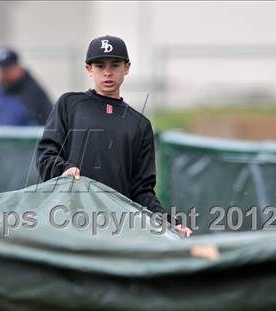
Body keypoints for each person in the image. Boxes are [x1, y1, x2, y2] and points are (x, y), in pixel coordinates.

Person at [36, 35, 192, 237]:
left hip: (116, 229)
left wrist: (169, 223)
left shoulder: (139, 124)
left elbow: (141, 190)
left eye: (115, 65)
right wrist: (63, 171)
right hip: (67, 223)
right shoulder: (69, 105)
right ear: (88, 69)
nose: (107, 72)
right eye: (100, 65)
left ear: (126, 67)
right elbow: (45, 156)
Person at [0, 47, 53, 126]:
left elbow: (51, 125)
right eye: (0, 70)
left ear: (18, 68)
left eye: (6, 70)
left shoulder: (33, 93)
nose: (2, 75)